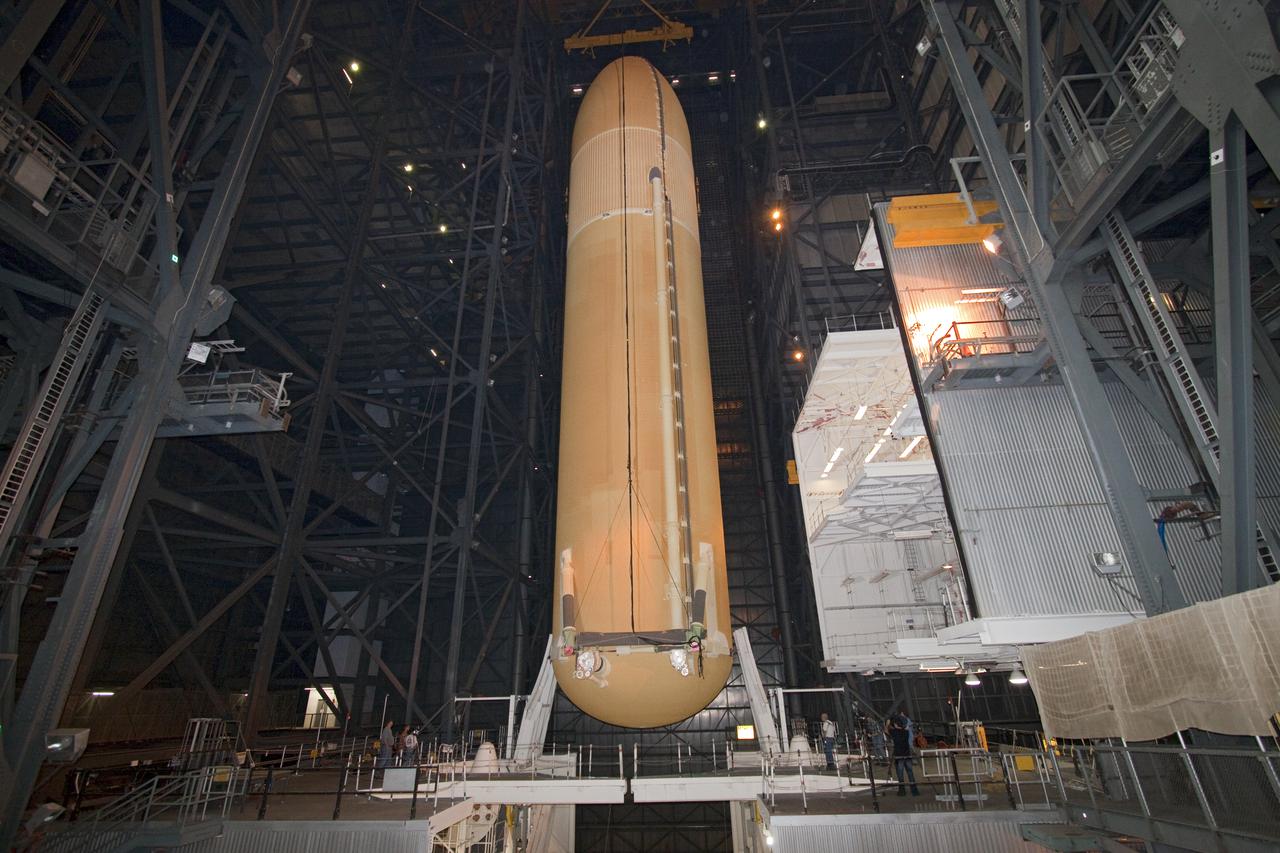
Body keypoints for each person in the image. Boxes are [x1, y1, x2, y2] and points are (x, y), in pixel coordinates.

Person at [887, 713, 919, 796]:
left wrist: (888, 722)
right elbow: (905, 727)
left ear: (895, 724)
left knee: (900, 775)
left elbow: (886, 730)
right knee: (910, 773)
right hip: (907, 754)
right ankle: (914, 791)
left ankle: (902, 791)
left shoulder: (894, 732)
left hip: (899, 755)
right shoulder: (906, 732)